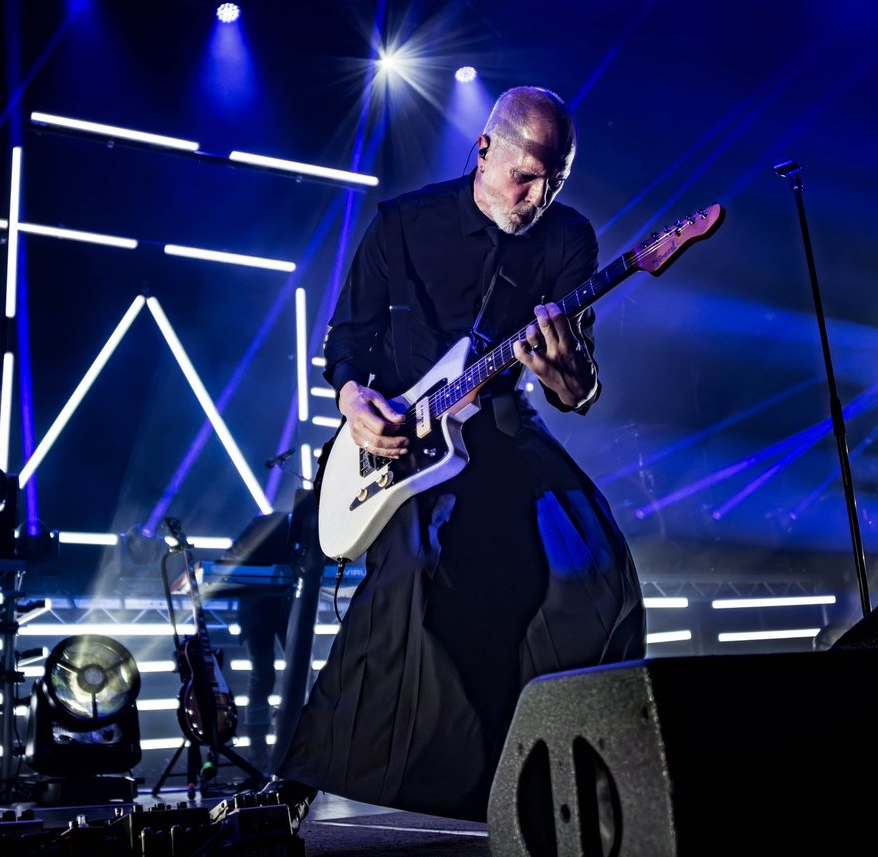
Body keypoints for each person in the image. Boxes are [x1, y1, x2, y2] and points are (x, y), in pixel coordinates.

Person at [266, 86, 646, 826]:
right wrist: (355, 402)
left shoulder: (568, 240)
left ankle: (554, 787)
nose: (537, 196)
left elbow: (578, 388)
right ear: (484, 149)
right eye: (526, 174)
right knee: (412, 573)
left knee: (594, 566)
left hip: (501, 432)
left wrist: (567, 373)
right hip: (402, 446)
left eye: (555, 180)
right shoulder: (403, 225)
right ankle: (331, 779)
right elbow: (346, 343)